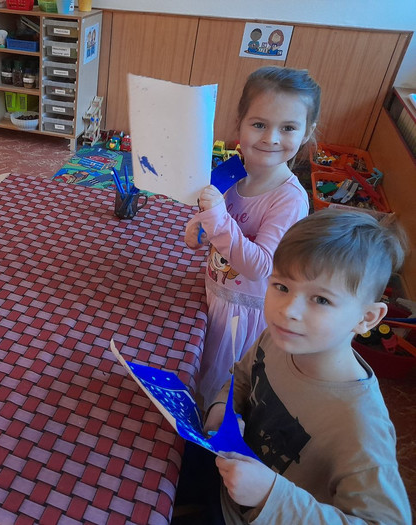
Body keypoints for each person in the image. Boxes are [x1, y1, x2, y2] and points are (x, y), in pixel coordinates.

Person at [203, 209, 411, 524]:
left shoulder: (361, 427)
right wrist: (223, 406)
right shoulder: (280, 338)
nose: (289, 311)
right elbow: (242, 377)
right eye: (282, 286)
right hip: (221, 492)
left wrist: (271, 496)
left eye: (321, 300)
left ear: (367, 318)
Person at [185, 66, 320, 408]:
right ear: (240, 123)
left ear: (306, 132)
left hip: (241, 316)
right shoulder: (232, 172)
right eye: (259, 124)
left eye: (287, 128)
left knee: (218, 392)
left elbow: (259, 266)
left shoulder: (289, 199)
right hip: (211, 295)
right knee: (193, 370)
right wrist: (197, 228)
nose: (271, 138)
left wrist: (216, 218)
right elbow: (209, 230)